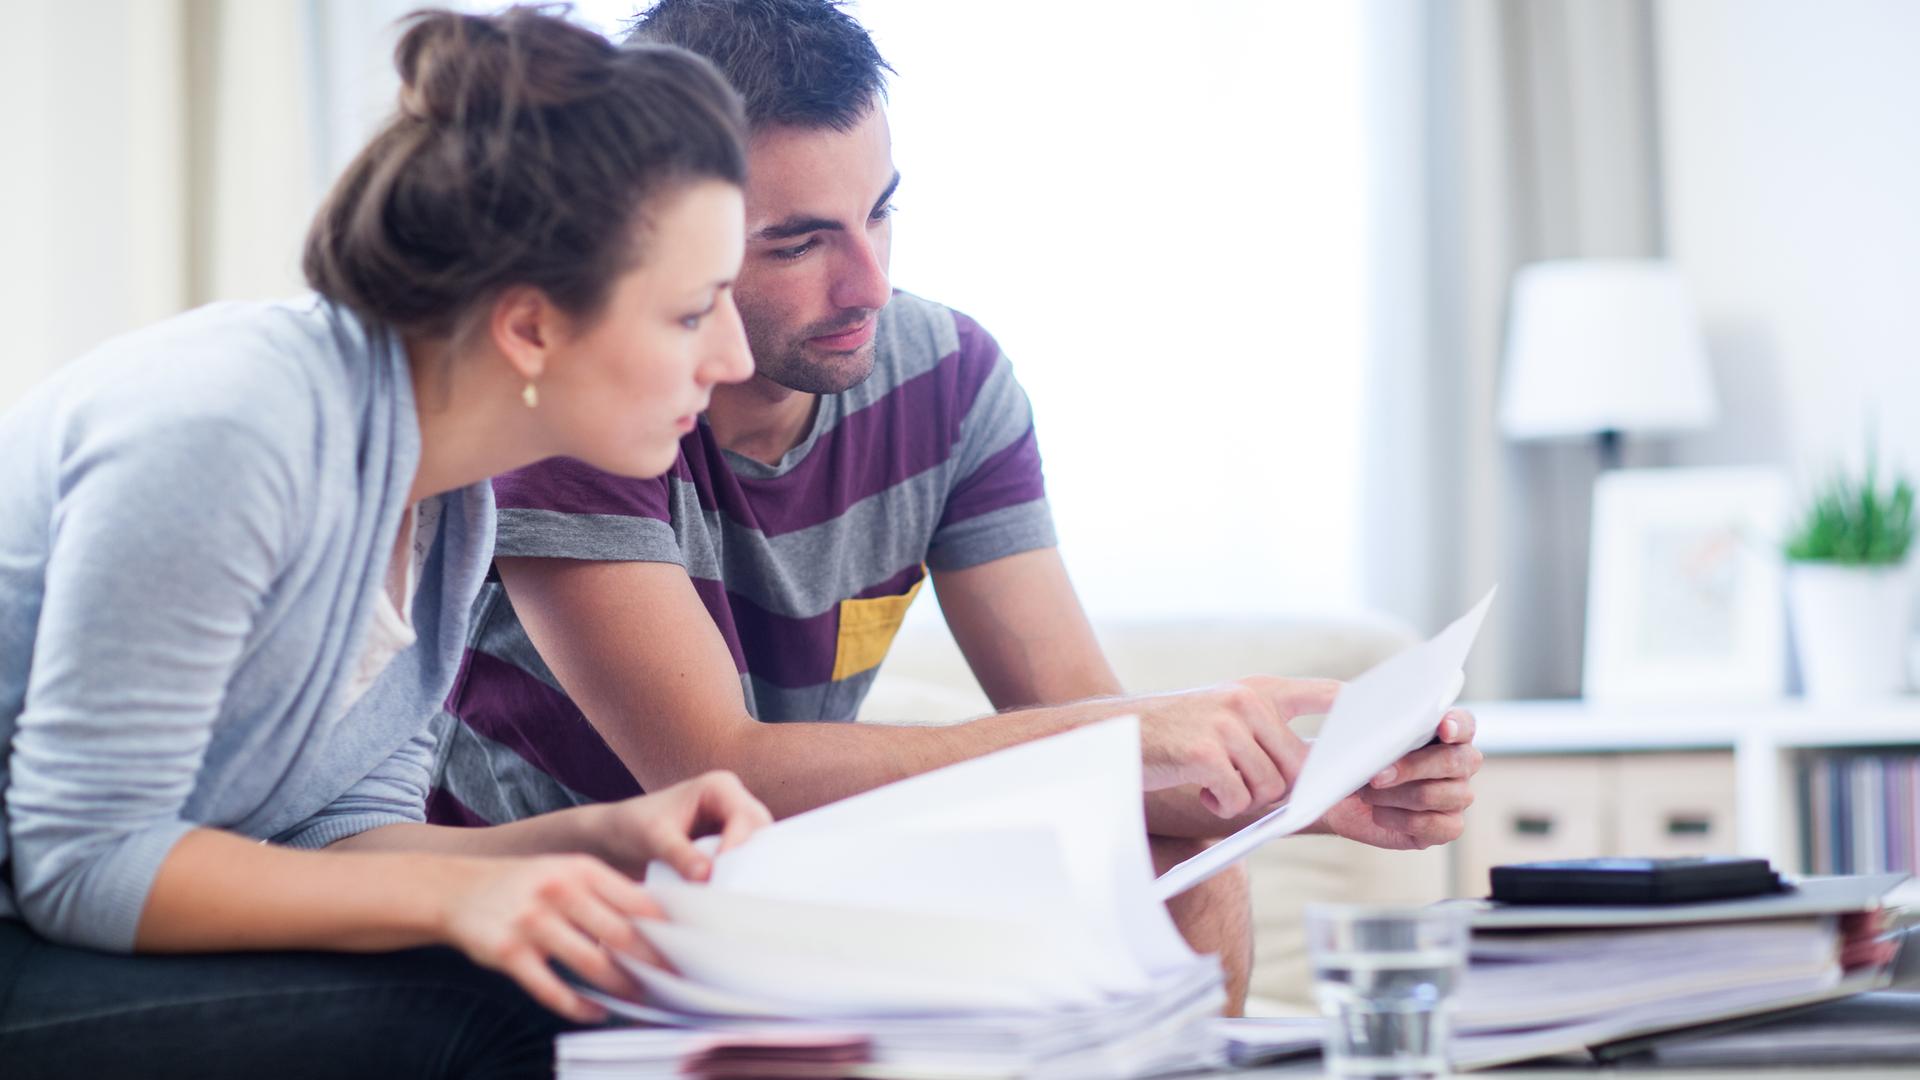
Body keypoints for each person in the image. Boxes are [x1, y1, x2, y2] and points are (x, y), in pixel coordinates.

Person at [431, 0, 1482, 1013]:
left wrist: (1302, 791)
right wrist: (1132, 738)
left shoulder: (947, 377)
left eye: (881, 212)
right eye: (797, 243)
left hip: (793, 873)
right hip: (579, 901)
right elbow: (721, 767)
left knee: (1189, 869)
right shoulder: (593, 393)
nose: (870, 285)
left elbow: (1083, 731)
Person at [0, 10, 773, 1078]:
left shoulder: (451, 502)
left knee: (605, 972)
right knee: (502, 1012)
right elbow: (81, 860)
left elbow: (340, 829)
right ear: (531, 327)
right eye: (694, 313)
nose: (731, 358)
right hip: (38, 908)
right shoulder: (225, 431)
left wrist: (595, 838)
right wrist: (463, 896)